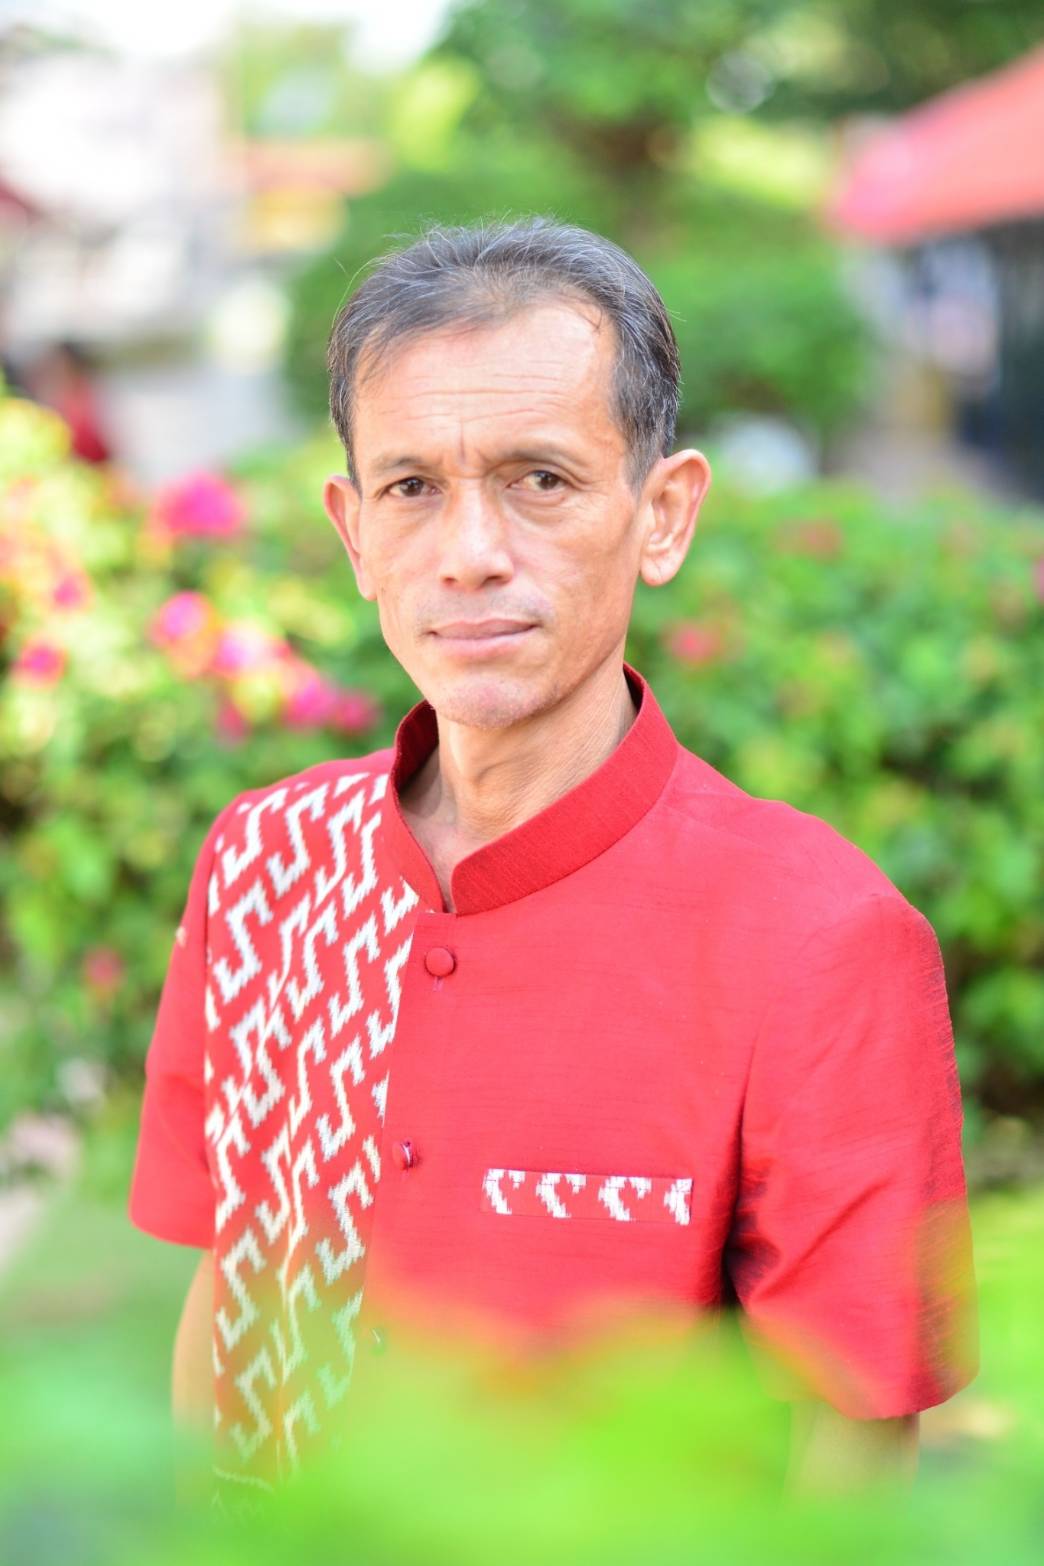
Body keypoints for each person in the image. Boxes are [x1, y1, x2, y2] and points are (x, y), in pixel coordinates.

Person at [127, 217, 978, 1510]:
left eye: (540, 478)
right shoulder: (265, 863)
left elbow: (852, 1449)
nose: (470, 551)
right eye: (412, 487)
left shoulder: (816, 937)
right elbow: (228, 1285)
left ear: (662, 514)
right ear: (354, 535)